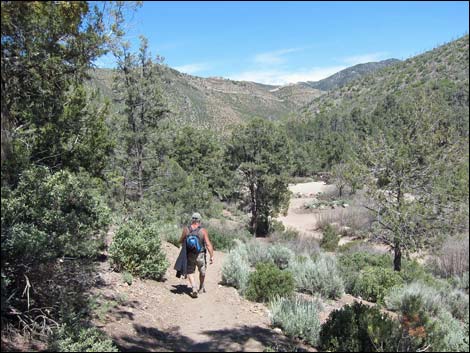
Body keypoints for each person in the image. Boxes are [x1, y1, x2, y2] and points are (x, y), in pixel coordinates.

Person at [179, 212, 214, 298]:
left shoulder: (186, 229)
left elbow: (180, 240)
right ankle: (201, 287)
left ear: (192, 219)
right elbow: (208, 244)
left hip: (190, 254)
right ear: (199, 220)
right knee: (202, 271)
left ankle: (194, 287)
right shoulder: (203, 231)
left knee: (190, 271)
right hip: (200, 254)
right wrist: (211, 256)